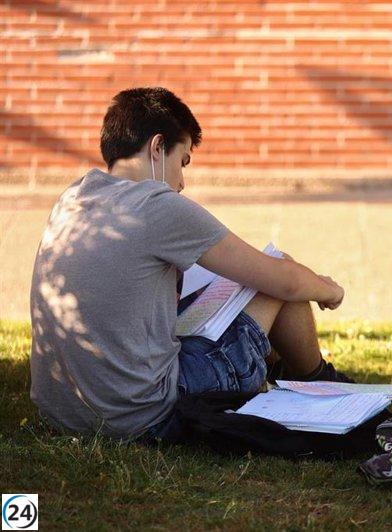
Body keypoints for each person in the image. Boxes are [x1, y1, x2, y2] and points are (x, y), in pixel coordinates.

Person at [29, 87, 353, 443]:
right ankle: (323, 385)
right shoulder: (157, 206)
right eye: (182, 162)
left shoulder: (73, 198)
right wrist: (329, 289)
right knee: (282, 270)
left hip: (64, 414)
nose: (182, 183)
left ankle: (288, 372)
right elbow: (284, 282)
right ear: (156, 148)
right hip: (145, 414)